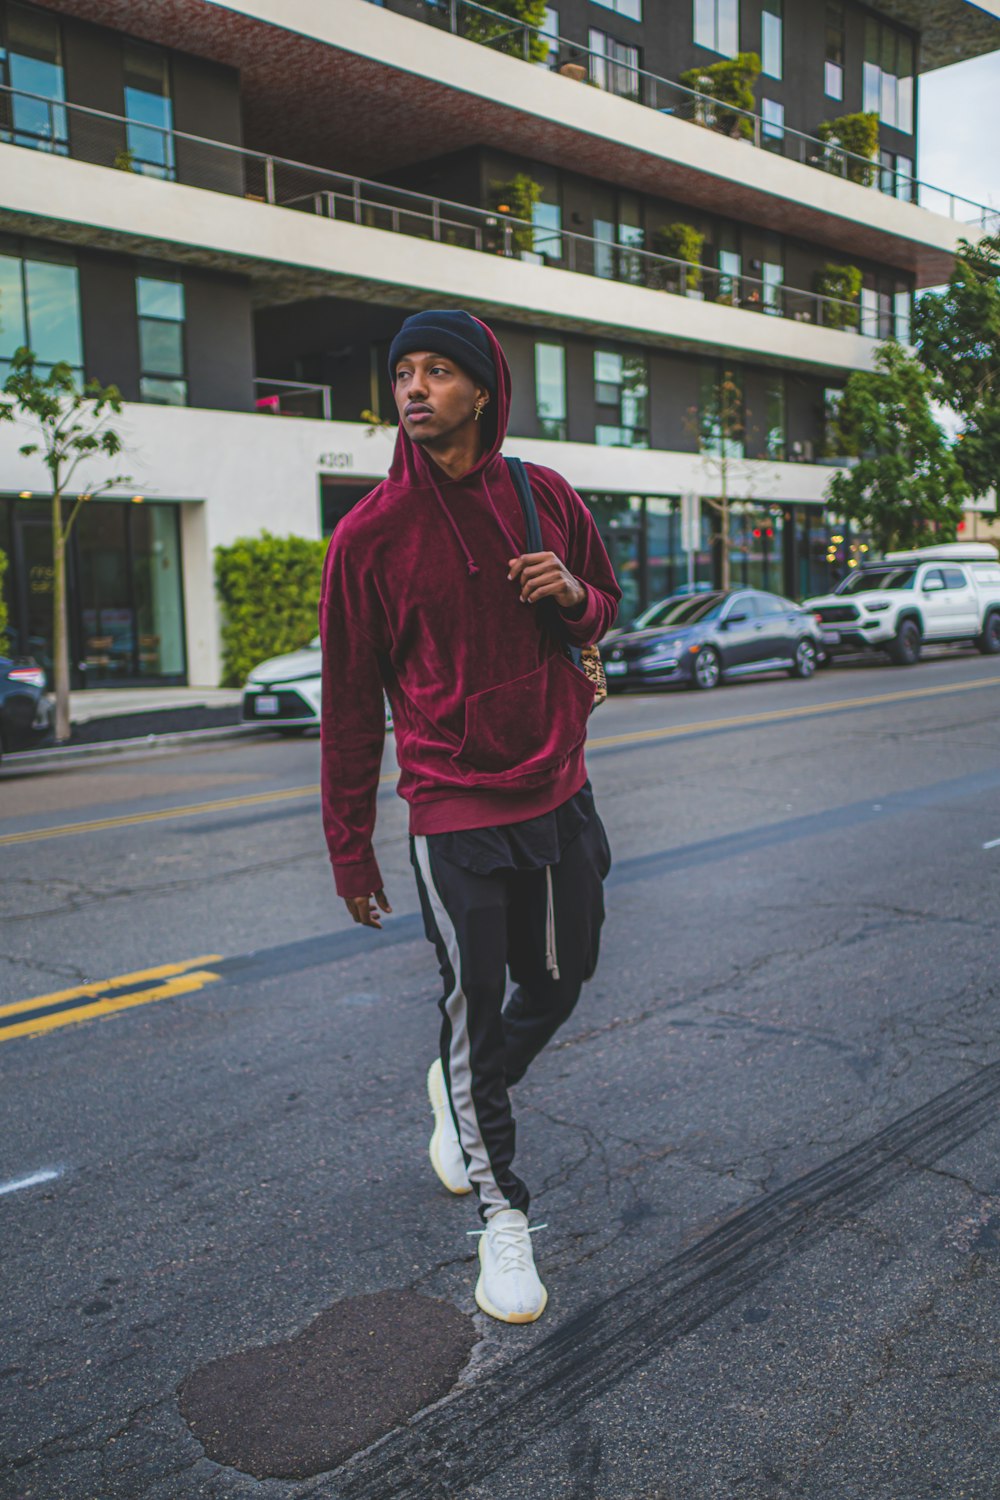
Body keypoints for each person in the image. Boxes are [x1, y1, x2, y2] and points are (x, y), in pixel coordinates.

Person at [319, 309, 620, 1323]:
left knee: (563, 977)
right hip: (452, 811)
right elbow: (352, 705)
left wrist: (571, 592)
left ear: (481, 390)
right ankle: (503, 1216)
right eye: (401, 371)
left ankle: (460, 1090)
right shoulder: (367, 538)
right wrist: (349, 846)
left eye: (437, 371)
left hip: (559, 785)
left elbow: (606, 605)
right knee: (473, 1006)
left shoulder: (544, 495)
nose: (413, 389)